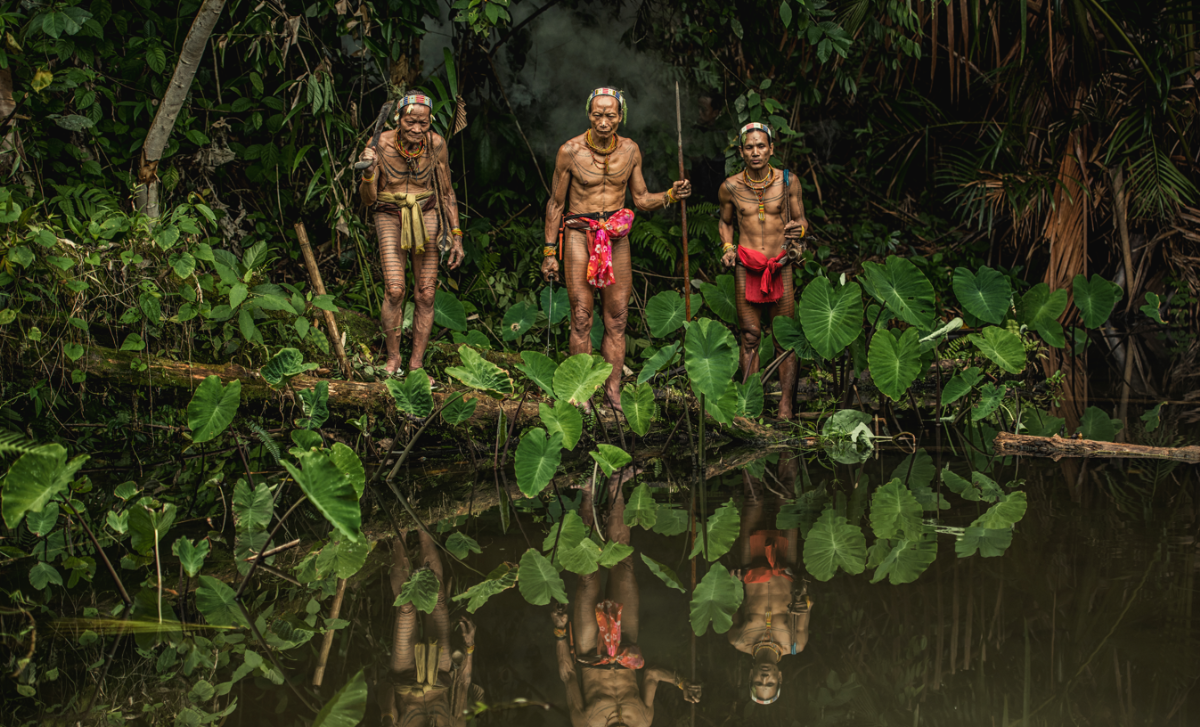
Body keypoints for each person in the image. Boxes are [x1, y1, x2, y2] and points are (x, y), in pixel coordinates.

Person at [542, 88, 692, 410]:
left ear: (620, 117)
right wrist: (549, 252)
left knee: (618, 318)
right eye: (597, 114)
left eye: (610, 115)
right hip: (580, 233)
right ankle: (580, 393)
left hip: (615, 236)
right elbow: (555, 204)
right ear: (589, 115)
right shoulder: (570, 151)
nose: (603, 122)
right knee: (581, 317)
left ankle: (612, 392)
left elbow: (641, 199)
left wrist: (670, 195)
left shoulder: (630, 150)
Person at [551, 472, 702, 725]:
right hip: (626, 642)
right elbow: (652, 675)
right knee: (624, 563)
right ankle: (616, 488)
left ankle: (587, 493)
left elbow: (568, 675)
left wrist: (559, 632)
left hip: (590, 650)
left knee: (587, 575)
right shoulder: (643, 719)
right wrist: (681, 682)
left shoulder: (585, 722)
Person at [357, 93, 465, 377]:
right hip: (389, 213)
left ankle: (416, 364)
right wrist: (368, 173)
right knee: (395, 290)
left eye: (423, 123)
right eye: (410, 122)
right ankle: (393, 360)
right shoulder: (379, 144)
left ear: (430, 122)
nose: (417, 129)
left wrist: (456, 235)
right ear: (398, 119)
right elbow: (368, 200)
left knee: (426, 294)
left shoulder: (436, 144)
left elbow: (447, 192)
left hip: (426, 211)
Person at [717, 122, 808, 420]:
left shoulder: (788, 181)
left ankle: (785, 407)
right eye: (749, 147)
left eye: (760, 146)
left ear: (771, 149)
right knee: (750, 336)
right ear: (741, 152)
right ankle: (750, 406)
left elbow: (802, 221)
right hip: (746, 266)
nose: (755, 152)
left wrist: (798, 230)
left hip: (780, 265)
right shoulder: (730, 187)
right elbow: (726, 222)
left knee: (784, 337)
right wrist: (727, 247)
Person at [725, 453, 813, 706]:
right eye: (770, 683)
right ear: (780, 677)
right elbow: (806, 600)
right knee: (785, 493)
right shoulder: (795, 644)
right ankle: (785, 439)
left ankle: (749, 447)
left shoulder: (738, 639)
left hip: (751, 565)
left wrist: (734, 577)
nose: (765, 678)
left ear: (750, 677)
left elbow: (730, 599)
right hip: (786, 564)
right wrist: (803, 601)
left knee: (753, 499)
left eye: (759, 683)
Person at [380, 530, 480, 726]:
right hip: (439, 671)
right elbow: (463, 685)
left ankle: (398, 533)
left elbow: (385, 690)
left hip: (405, 675)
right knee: (438, 599)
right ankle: (423, 529)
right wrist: (469, 647)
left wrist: (387, 715)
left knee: (405, 607)